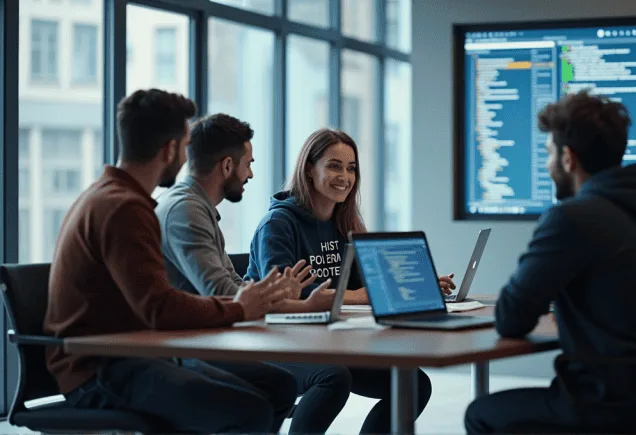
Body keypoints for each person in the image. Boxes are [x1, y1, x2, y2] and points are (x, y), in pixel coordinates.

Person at [43, 89, 299, 434]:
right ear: (170, 149)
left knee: (278, 386)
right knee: (250, 411)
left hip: (134, 356)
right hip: (100, 371)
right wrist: (239, 308)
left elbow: (154, 303)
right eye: (185, 145)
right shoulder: (124, 208)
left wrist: (241, 305)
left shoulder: (111, 196)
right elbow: (159, 309)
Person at [464, 91, 636, 433]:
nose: (548, 165)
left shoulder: (573, 218)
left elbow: (511, 318)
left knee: (481, 414)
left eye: (549, 154)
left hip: (605, 403)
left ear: (568, 158)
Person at [247, 128, 452, 434]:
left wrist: (417, 285)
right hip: (278, 345)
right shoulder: (278, 224)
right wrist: (358, 295)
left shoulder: (345, 223)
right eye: (334, 166)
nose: (345, 177)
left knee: (413, 383)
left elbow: (369, 285)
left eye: (351, 168)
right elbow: (281, 296)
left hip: (328, 343)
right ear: (309, 169)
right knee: (333, 377)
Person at [156, 113, 347, 434]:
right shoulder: (185, 210)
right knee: (320, 377)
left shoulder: (198, 208)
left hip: (214, 337)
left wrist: (287, 299)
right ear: (227, 166)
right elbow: (224, 294)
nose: (251, 174)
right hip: (191, 349)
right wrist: (295, 303)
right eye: (248, 164)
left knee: (296, 381)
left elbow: (235, 287)